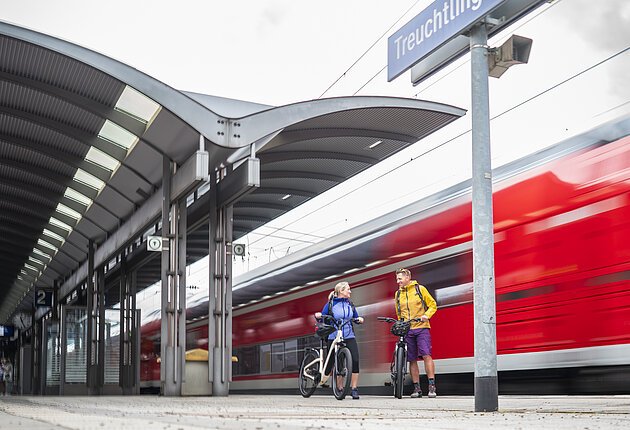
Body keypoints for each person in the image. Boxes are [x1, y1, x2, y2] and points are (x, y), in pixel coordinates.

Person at [314, 281, 364, 399]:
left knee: (355, 360)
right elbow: (323, 317)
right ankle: (340, 388)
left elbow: (355, 317)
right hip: (334, 335)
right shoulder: (330, 305)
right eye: (348, 289)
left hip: (349, 335)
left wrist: (359, 319)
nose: (350, 291)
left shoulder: (350, 305)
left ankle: (354, 388)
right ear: (341, 291)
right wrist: (319, 316)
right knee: (337, 362)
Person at [394, 267, 438, 398]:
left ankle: (431, 386)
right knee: (411, 359)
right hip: (407, 329)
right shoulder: (398, 294)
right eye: (397, 279)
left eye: (400, 278)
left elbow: (432, 304)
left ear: (407, 277)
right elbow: (399, 312)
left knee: (426, 355)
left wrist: (426, 315)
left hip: (421, 326)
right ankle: (417, 388)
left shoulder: (420, 289)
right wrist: (400, 323)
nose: (398, 281)